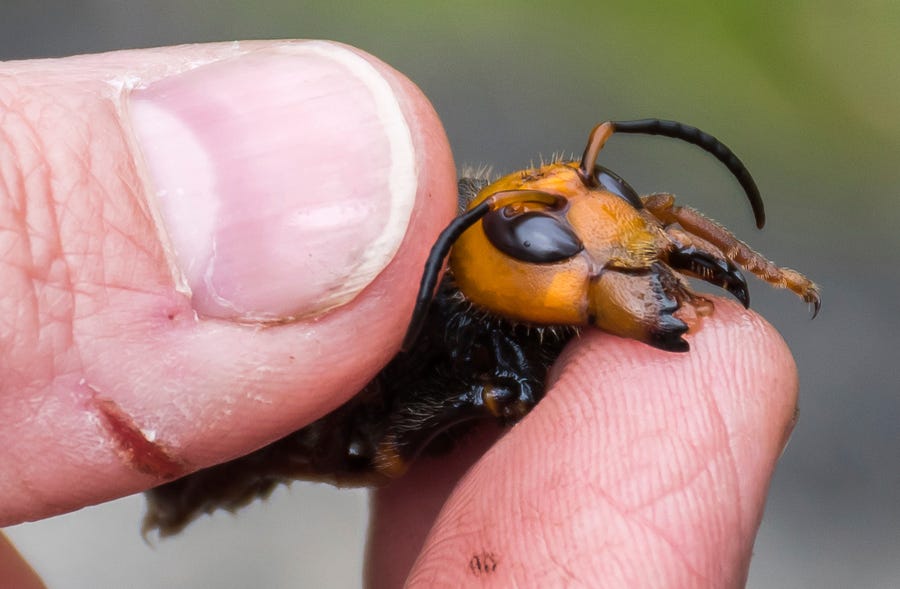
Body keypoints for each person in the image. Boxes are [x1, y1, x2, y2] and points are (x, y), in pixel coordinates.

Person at [0, 40, 798, 588]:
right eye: (553, 235)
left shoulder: (549, 274)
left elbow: (649, 211)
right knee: (395, 430)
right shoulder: (450, 318)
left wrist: (752, 263)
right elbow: (381, 449)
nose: (614, 231)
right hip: (300, 432)